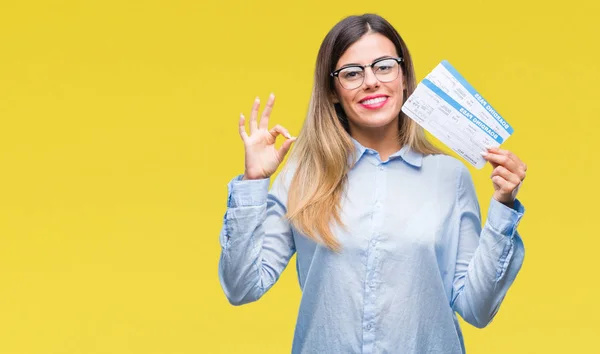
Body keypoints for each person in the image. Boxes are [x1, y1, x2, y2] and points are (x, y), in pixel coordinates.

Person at [218, 13, 527, 354]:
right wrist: (253, 183)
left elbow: (477, 309)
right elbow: (242, 287)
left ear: (404, 77)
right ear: (333, 92)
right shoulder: (301, 176)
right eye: (352, 73)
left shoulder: (449, 177)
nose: (371, 82)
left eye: (384, 66)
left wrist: (503, 205)